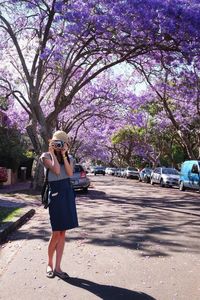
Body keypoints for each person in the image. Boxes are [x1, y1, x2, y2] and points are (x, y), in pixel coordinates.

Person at [40, 130, 78, 279]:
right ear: (51, 142)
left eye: (61, 143)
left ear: (66, 145)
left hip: (67, 193)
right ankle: (49, 263)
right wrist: (52, 152)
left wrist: (64, 155)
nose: (58, 145)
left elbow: (68, 173)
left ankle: (58, 267)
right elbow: (56, 170)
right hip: (55, 195)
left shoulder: (69, 158)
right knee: (56, 231)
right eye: (56, 142)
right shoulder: (45, 156)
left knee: (63, 233)